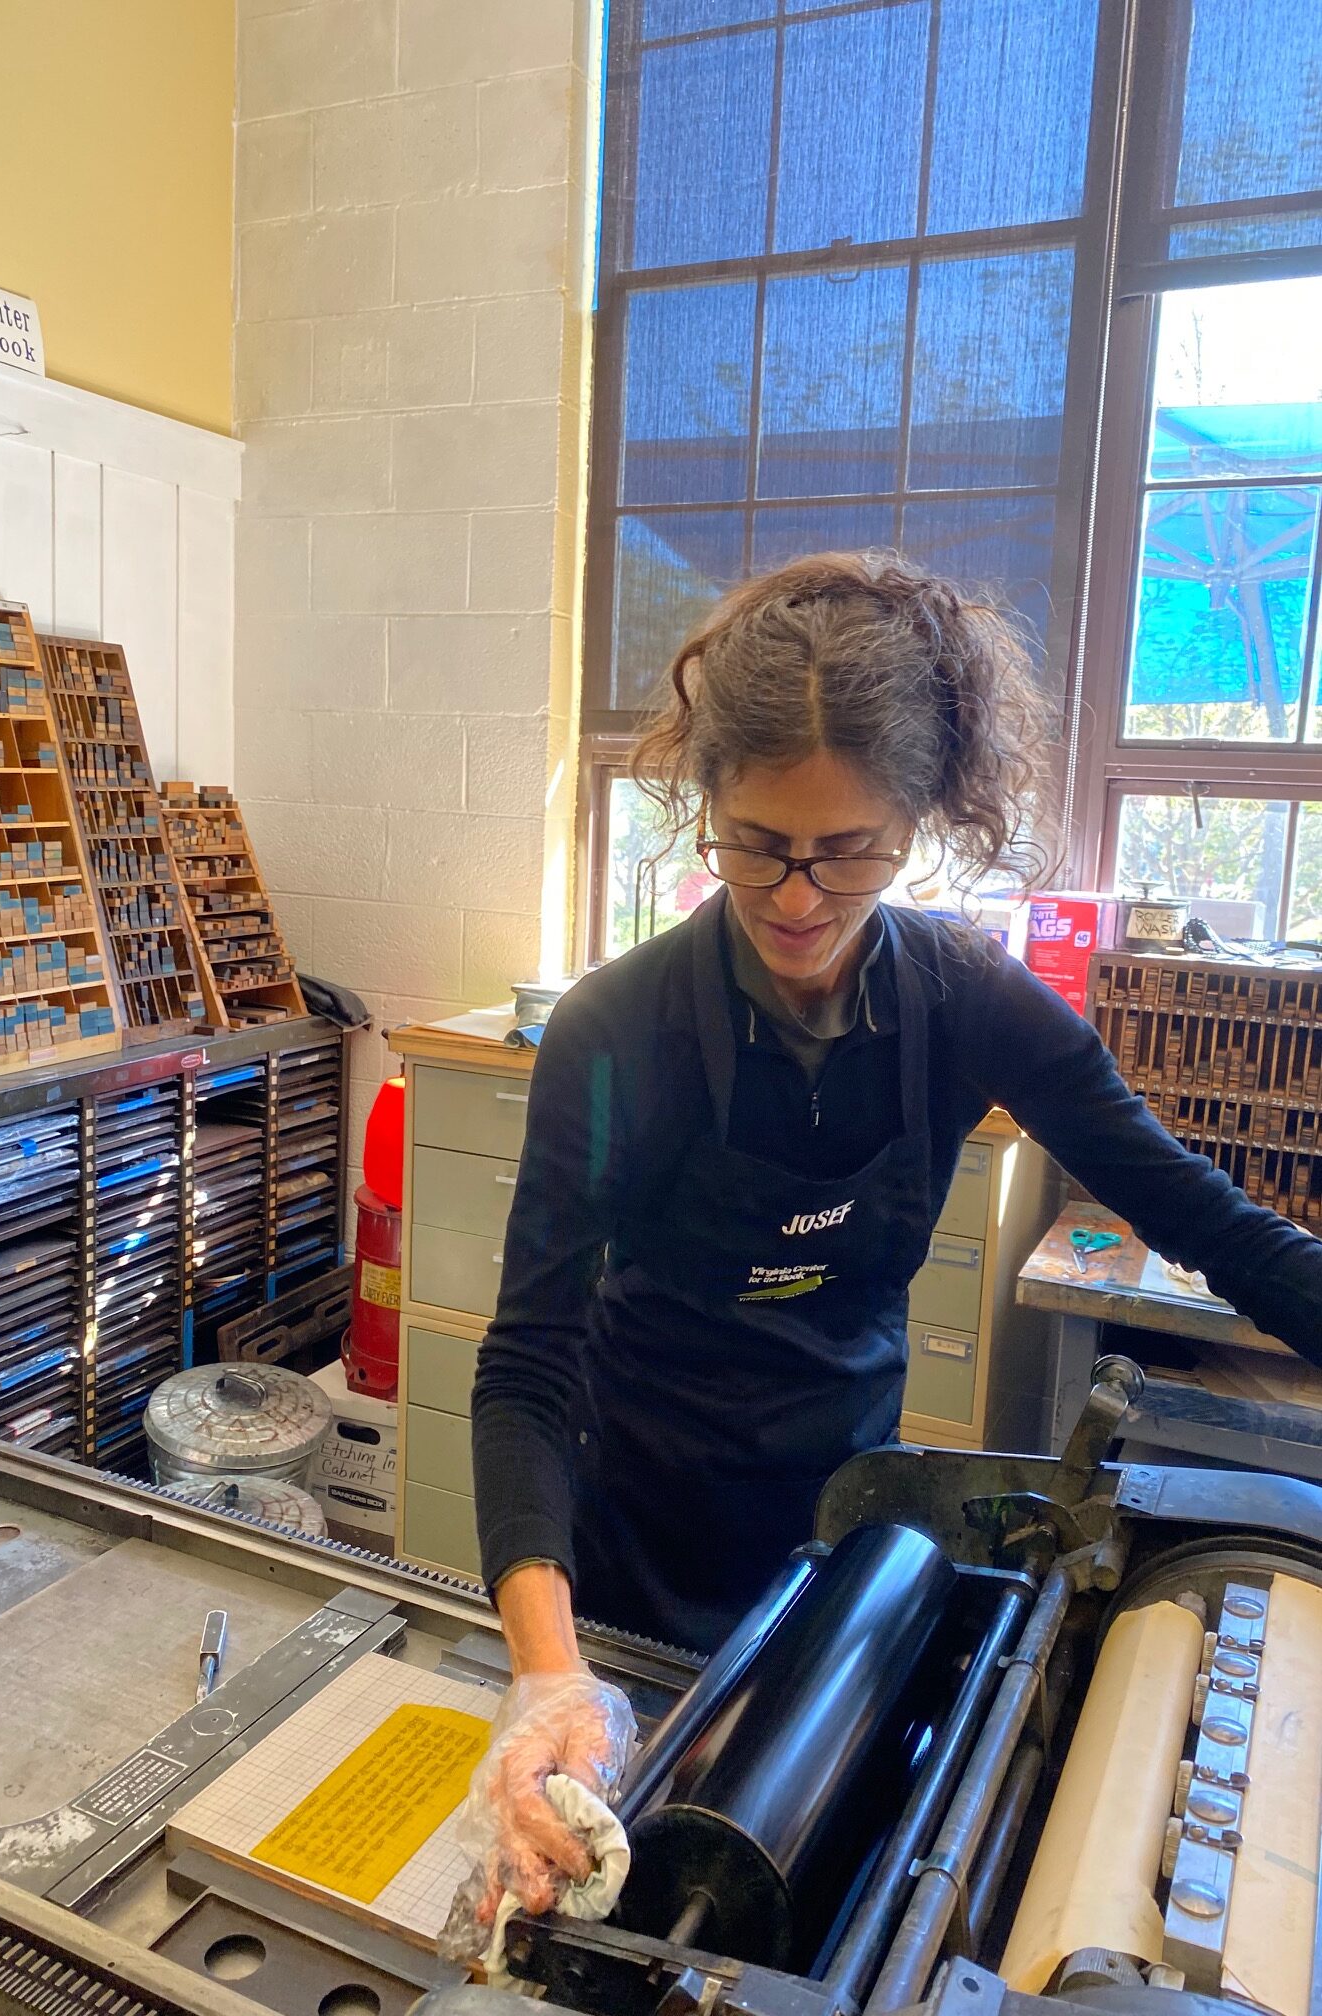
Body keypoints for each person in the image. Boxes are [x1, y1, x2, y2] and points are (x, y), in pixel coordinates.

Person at [448, 551, 1322, 1939]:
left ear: (922, 819)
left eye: (851, 849)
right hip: (631, 1544)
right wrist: (551, 1673)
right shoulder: (618, 1035)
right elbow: (529, 1370)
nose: (796, 897)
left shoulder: (967, 1001)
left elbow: (1205, 1219)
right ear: (709, 806)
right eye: (756, 843)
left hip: (847, 1535)